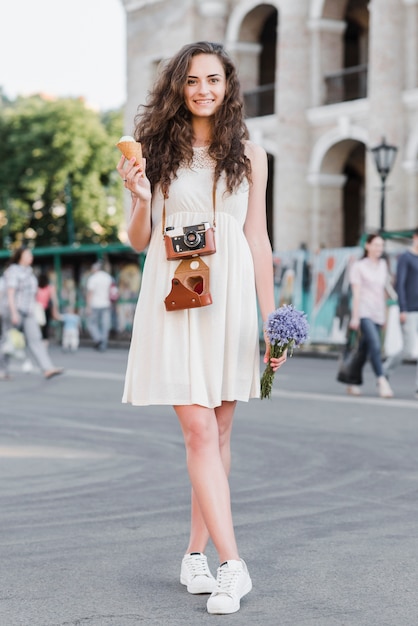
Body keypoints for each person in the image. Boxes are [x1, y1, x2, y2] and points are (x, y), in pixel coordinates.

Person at [116, 41, 286, 615]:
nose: (203, 89)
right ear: (177, 87)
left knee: (218, 435)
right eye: (192, 80)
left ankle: (195, 554)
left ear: (228, 85)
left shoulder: (251, 154)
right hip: (174, 297)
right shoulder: (155, 150)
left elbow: (256, 239)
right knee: (197, 432)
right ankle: (234, 566)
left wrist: (273, 320)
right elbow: (138, 240)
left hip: (231, 300)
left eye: (213, 79)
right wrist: (140, 199)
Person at [0, 246, 64, 380]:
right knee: (8, 341)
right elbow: (10, 293)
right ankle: (2, 370)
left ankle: (47, 368)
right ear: (20, 256)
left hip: (28, 311)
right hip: (14, 310)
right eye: (28, 254)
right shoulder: (13, 271)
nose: (31, 257)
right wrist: (13, 313)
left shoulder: (29, 272)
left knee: (35, 339)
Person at [347, 233, 394, 398]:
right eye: (375, 245)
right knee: (375, 345)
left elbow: (383, 292)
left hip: (379, 313)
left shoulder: (383, 265)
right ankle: (382, 381)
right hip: (364, 312)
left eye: (381, 245)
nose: (378, 248)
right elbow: (357, 293)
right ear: (367, 246)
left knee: (364, 349)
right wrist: (355, 317)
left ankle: (352, 380)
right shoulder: (358, 267)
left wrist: (386, 316)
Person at [383, 227, 418, 397]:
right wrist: (402, 308)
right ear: (415, 238)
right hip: (409, 310)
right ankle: (384, 371)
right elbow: (400, 285)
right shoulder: (406, 257)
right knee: (408, 349)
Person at [85, 261, 113, 351]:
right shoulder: (108, 277)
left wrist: (88, 306)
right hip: (106, 303)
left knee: (92, 324)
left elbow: (90, 293)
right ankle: (103, 343)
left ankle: (98, 339)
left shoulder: (93, 279)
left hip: (95, 304)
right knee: (105, 325)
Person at [36, 273, 60, 343]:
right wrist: (55, 310)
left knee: (38, 325)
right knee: (45, 326)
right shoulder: (50, 287)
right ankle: (44, 340)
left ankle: (39, 339)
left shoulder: (37, 287)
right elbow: (55, 300)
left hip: (38, 309)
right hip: (45, 309)